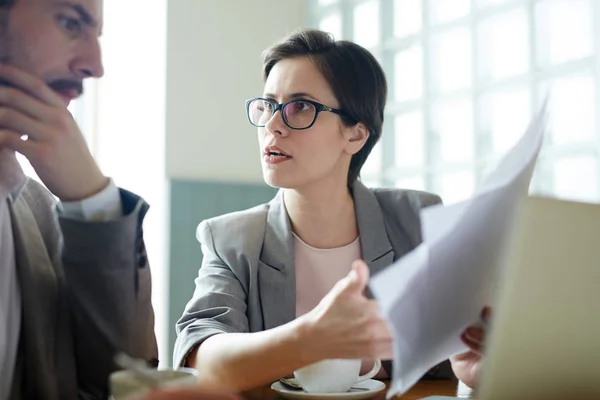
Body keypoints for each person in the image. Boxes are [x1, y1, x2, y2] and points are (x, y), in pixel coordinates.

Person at [173, 29, 484, 393]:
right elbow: (200, 354)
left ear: (355, 135)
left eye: (300, 106)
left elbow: (452, 351)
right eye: (268, 104)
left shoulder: (417, 219)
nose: (273, 124)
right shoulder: (230, 238)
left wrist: (482, 365)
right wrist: (309, 338)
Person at [0, 0, 158, 399]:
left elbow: (122, 380)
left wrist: (94, 199)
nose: (95, 65)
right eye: (70, 23)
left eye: (97, 34)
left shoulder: (36, 214)